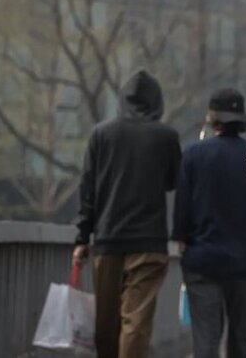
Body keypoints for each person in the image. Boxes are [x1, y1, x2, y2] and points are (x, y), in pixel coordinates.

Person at [72, 70, 183, 358]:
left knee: (105, 326)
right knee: (136, 321)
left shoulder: (101, 134)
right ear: (156, 101)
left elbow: (88, 189)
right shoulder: (167, 136)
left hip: (108, 241)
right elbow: (174, 182)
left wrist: (82, 237)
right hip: (149, 243)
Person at [172, 89, 246, 358]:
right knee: (240, 338)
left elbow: (182, 208)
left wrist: (181, 238)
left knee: (207, 338)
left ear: (212, 118)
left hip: (202, 260)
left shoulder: (193, 154)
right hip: (244, 261)